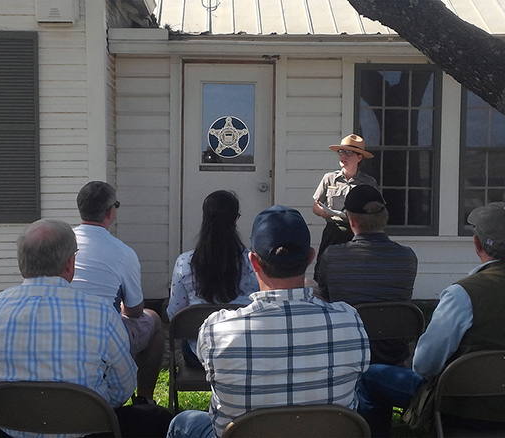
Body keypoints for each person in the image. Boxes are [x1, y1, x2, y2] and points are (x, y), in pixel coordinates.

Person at [167, 205, 370, 438]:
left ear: (254, 262)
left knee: (181, 422)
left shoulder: (217, 330)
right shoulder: (349, 321)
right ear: (311, 257)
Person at [356, 202, 505, 437]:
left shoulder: (462, 294)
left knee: (369, 375)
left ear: (476, 243)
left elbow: (425, 365)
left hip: (463, 411)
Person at [0, 219, 172, 438]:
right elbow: (123, 388)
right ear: (70, 264)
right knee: (157, 418)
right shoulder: (101, 313)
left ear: (22, 264)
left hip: (9, 431)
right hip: (89, 431)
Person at [71, 181, 164, 404]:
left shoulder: (62, 242)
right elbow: (133, 311)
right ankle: (144, 400)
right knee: (154, 320)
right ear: (111, 212)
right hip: (103, 334)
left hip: (62, 325)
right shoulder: (123, 253)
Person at [315, 185, 418, 365]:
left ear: (351, 220)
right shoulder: (407, 257)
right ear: (384, 217)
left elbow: (324, 296)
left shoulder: (333, 256)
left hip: (347, 353)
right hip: (393, 355)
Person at [167, 190, 258, 367]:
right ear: (235, 219)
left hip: (199, 356)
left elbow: (174, 314)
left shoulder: (184, 263)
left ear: (203, 216)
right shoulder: (252, 263)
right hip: (245, 351)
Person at [312, 134, 377, 279]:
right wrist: (322, 212)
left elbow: (376, 210)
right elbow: (316, 205)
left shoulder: (368, 183)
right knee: (324, 268)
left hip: (357, 233)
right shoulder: (329, 178)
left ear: (359, 158)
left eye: (349, 152)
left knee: (354, 271)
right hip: (333, 230)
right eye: (341, 152)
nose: (343, 156)